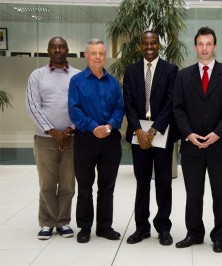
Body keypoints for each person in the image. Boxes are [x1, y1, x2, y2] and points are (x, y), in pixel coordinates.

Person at [173, 26, 222, 253]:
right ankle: (194, 233)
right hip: (192, 145)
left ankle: (219, 235)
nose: (204, 48)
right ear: (195, 47)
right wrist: (188, 134)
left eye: (208, 44)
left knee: (221, 192)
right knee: (194, 193)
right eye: (200, 44)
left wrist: (218, 133)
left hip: (219, 145)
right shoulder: (183, 76)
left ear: (215, 46)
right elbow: (178, 109)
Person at [123, 30, 179, 246]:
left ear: (158, 45)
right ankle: (141, 227)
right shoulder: (131, 70)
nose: (149, 47)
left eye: (153, 43)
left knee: (164, 182)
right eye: (145, 43)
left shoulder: (171, 70)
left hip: (161, 133)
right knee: (142, 182)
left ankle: (164, 228)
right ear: (140, 45)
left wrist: (153, 131)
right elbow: (127, 102)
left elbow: (171, 102)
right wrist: (138, 131)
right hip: (139, 134)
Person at [68, 38, 124, 244]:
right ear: (86, 56)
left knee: (107, 186)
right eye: (93, 53)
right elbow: (74, 110)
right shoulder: (77, 81)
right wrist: (94, 127)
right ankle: (84, 227)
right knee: (85, 186)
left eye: (101, 53)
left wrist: (108, 127)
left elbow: (120, 108)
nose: (98, 57)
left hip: (110, 140)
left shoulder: (113, 82)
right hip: (85, 140)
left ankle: (104, 226)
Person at [26, 36, 80, 240]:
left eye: (61, 46)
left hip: (72, 138)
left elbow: (83, 106)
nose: (58, 50)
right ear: (48, 50)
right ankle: (47, 222)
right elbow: (32, 106)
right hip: (45, 139)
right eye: (54, 47)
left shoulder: (77, 76)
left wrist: (68, 130)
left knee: (68, 184)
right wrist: (52, 131)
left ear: (67, 49)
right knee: (47, 183)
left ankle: (63, 221)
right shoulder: (36, 76)